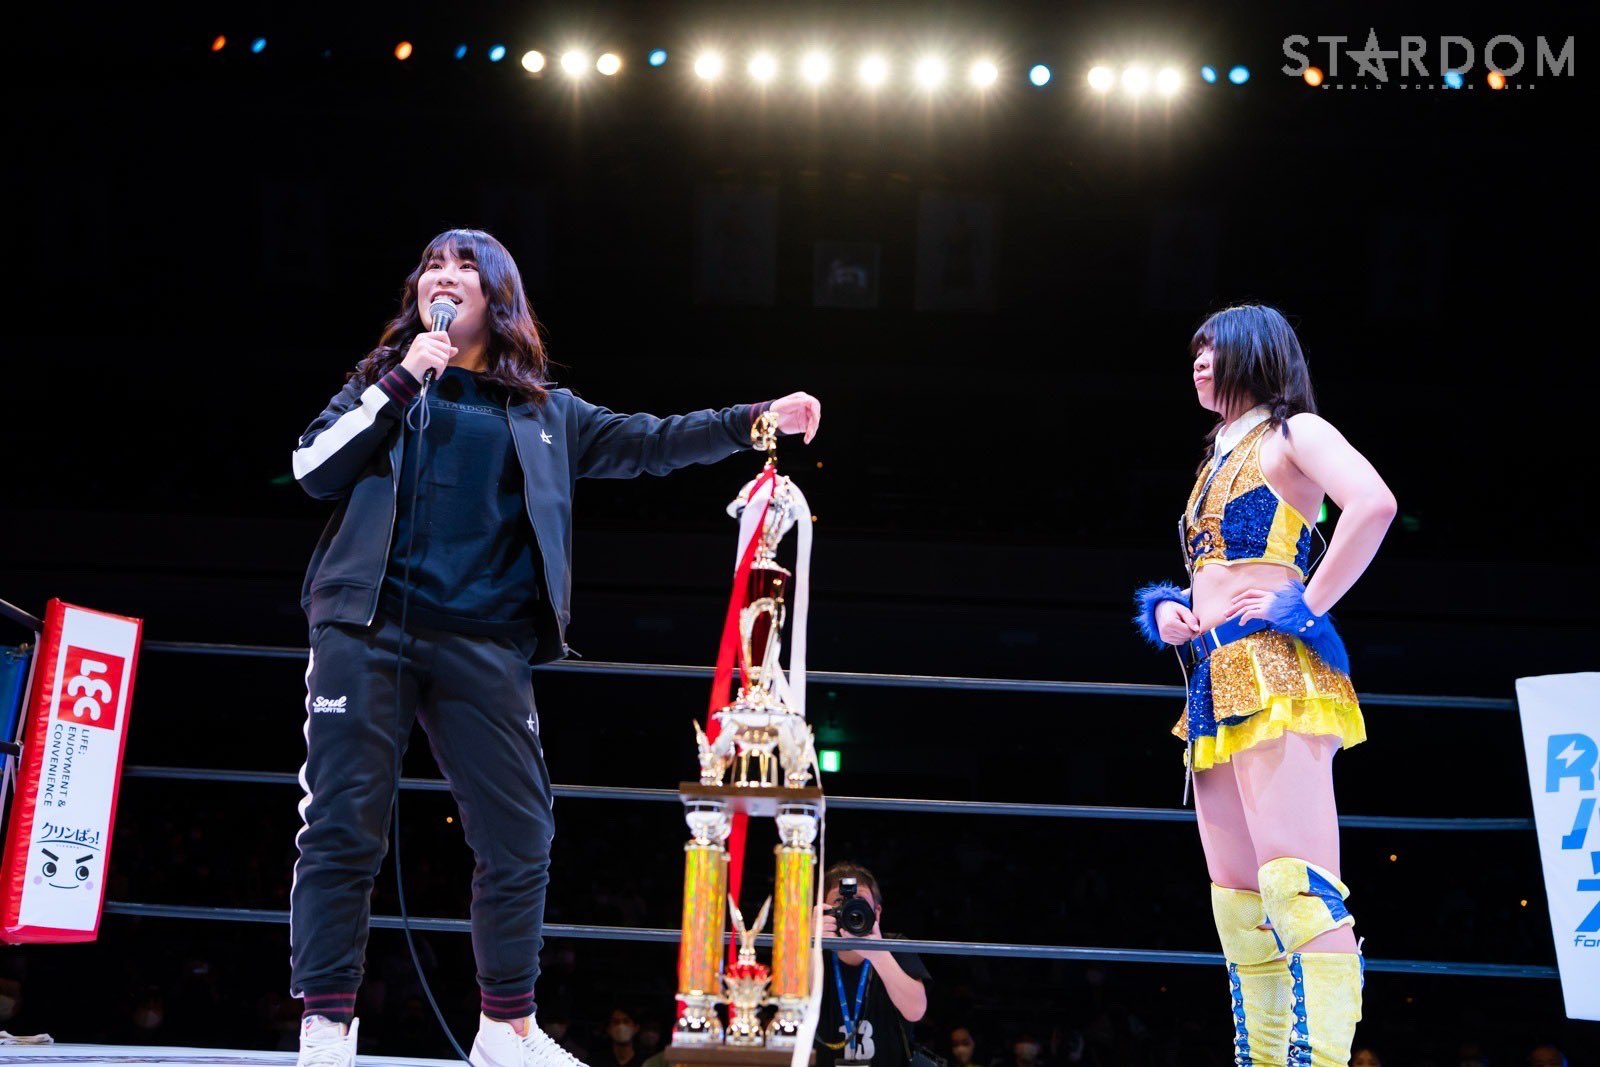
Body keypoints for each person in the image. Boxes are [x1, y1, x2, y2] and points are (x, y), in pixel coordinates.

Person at [287, 228, 822, 1067]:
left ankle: (506, 1027)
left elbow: (650, 442)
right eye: (433, 266)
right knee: (343, 825)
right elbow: (312, 468)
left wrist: (752, 421)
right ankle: (327, 1024)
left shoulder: (545, 412)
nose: (444, 277)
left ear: (498, 296)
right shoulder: (383, 381)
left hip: (486, 639)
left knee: (521, 834)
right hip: (367, 627)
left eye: (465, 267)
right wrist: (400, 379)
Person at [1132, 305, 1395, 1067]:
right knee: (1240, 908)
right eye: (1196, 350)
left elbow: (1374, 504)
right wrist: (1174, 609)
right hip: (1214, 677)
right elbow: (1216, 565)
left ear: (1255, 353)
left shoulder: (1294, 431)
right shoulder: (1216, 453)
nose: (1199, 361)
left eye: (1213, 349)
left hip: (1275, 668)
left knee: (1297, 890)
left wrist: (1307, 602)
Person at [815, 863, 931, 1067]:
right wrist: (810, 943)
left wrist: (877, 954)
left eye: (859, 903)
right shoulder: (813, 951)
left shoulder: (895, 946)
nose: (850, 911)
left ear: (876, 912)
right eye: (839, 902)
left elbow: (916, 1010)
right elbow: (794, 1002)